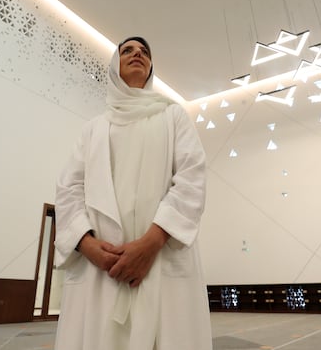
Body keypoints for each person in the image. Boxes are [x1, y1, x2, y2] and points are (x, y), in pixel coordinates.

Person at [53, 37, 212, 350]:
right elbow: (68, 189)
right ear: (114, 67)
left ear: (151, 67)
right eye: (128, 50)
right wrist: (87, 246)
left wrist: (150, 243)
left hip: (161, 257)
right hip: (102, 266)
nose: (138, 54)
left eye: (144, 52)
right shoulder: (93, 129)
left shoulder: (173, 116)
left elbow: (192, 176)